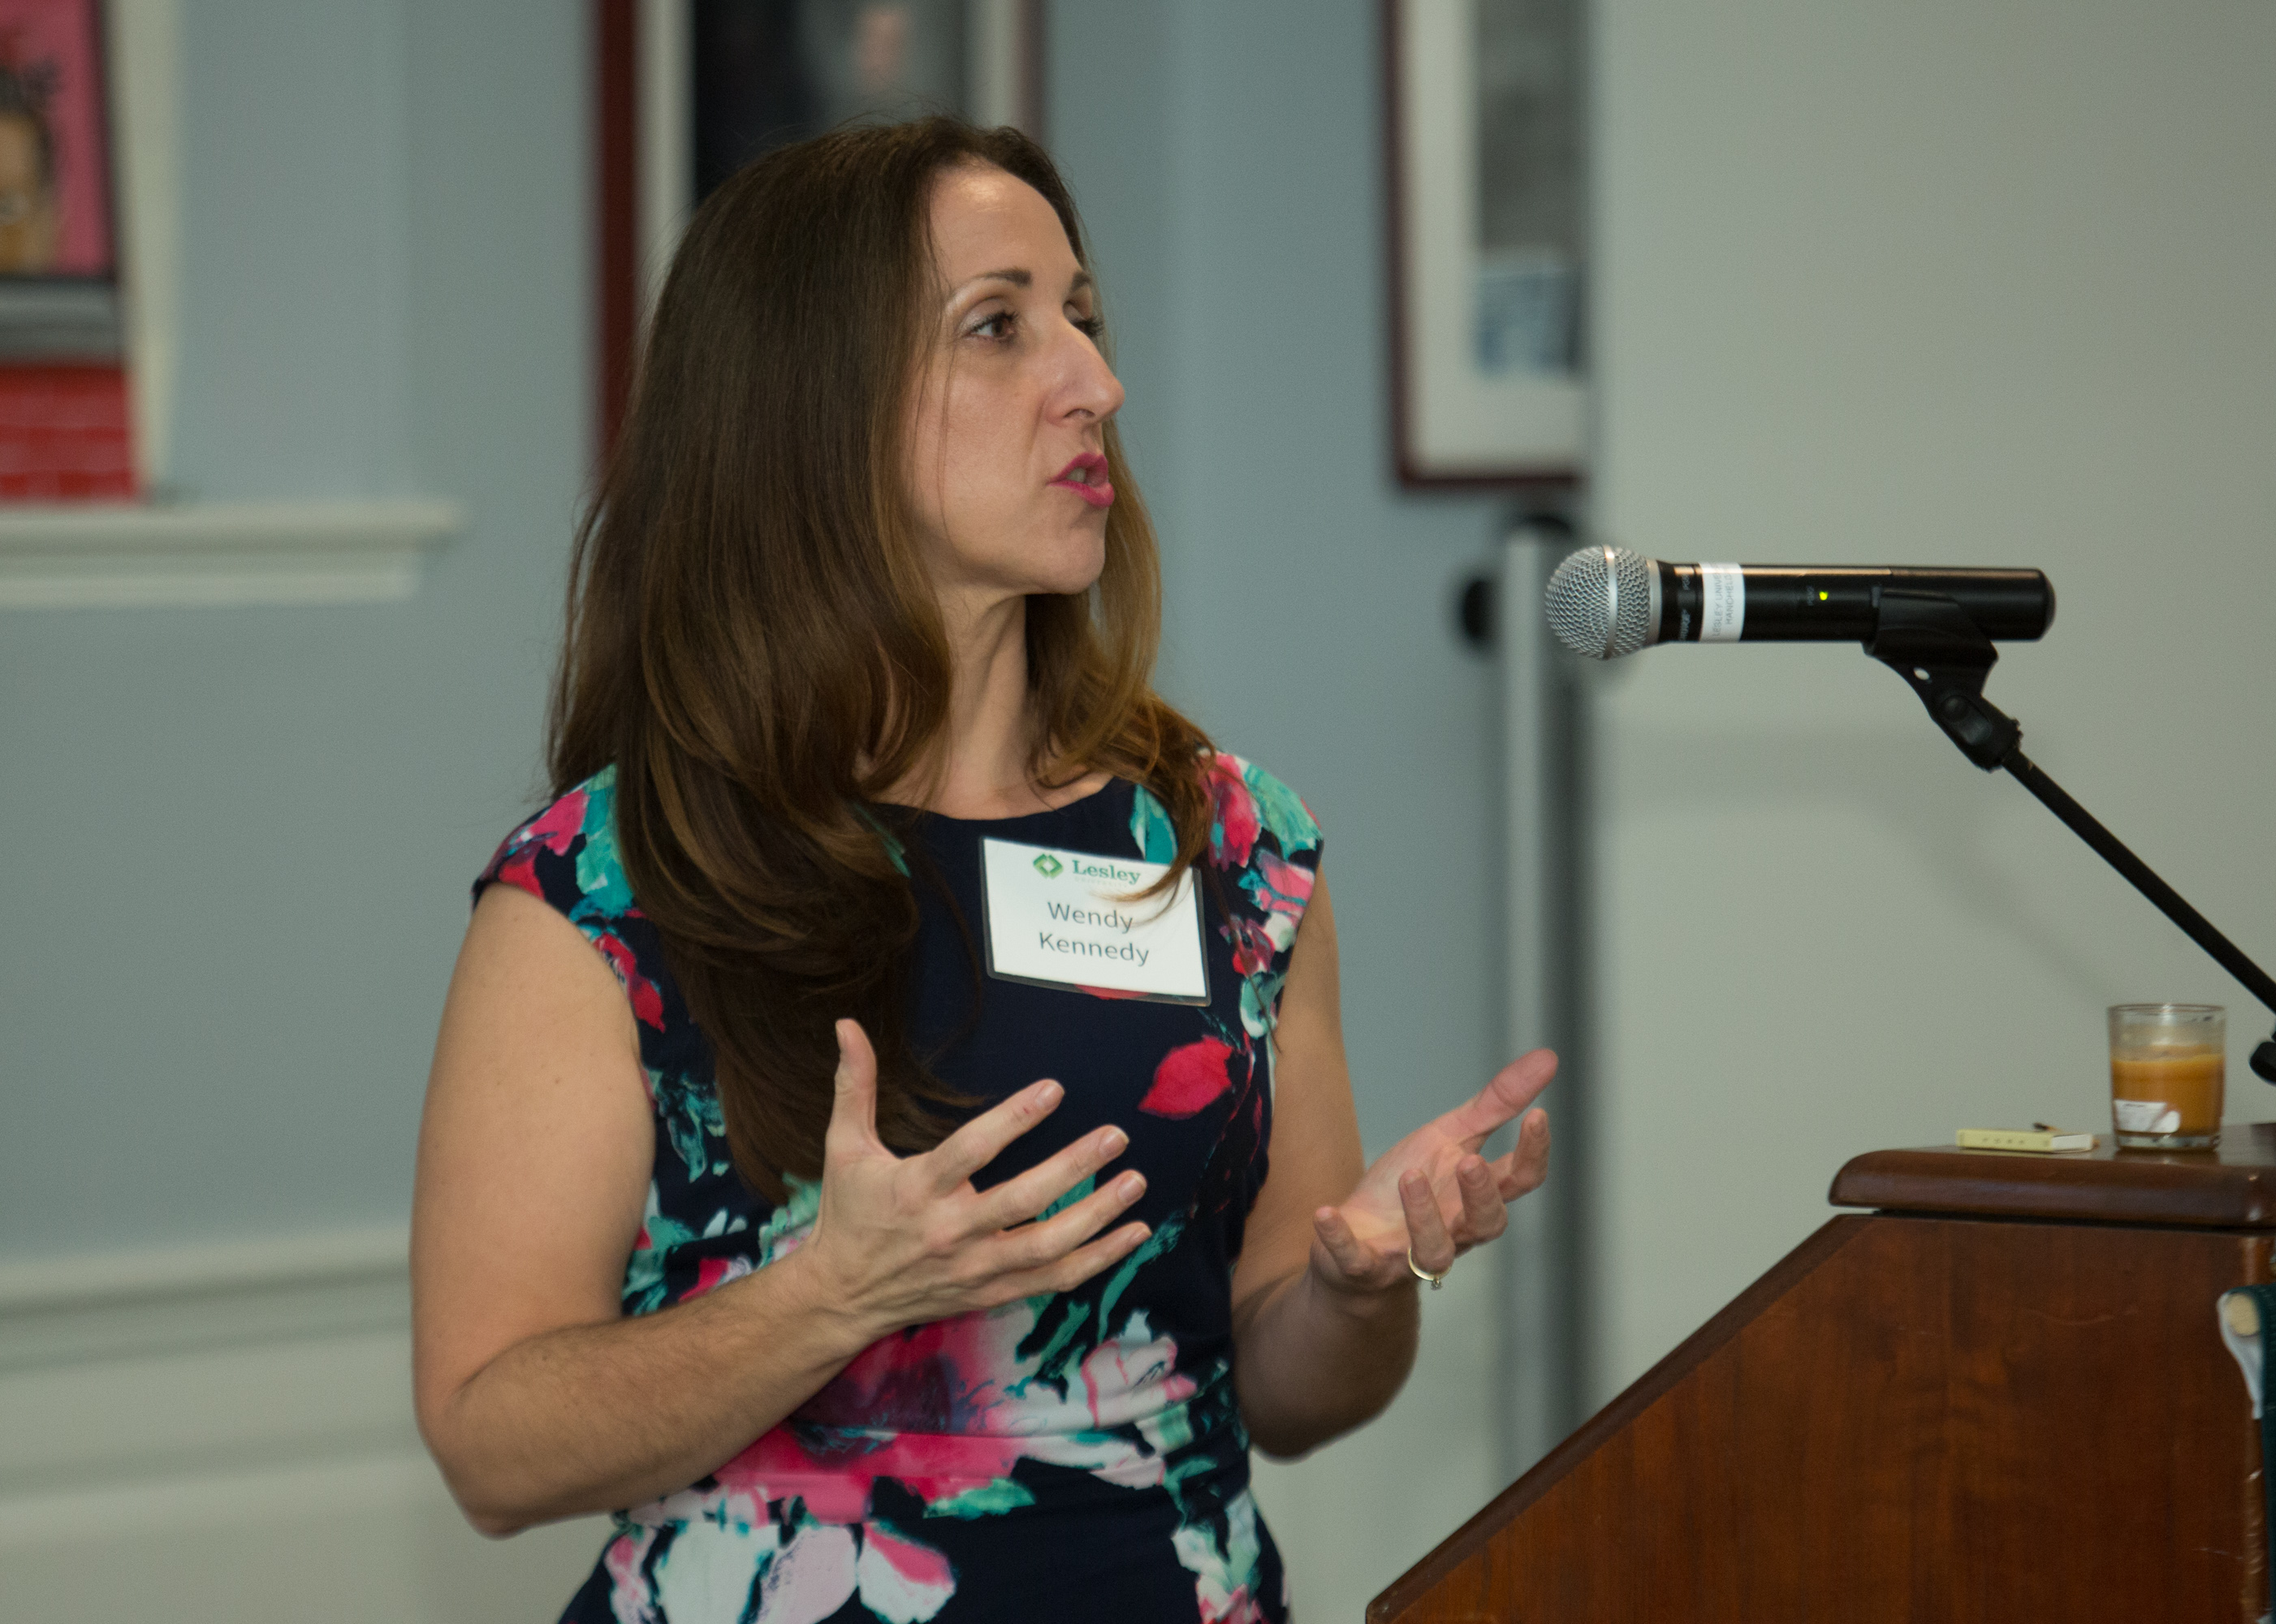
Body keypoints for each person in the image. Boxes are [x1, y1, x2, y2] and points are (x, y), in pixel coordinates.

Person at [411, 116, 1556, 1624]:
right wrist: (838, 1294)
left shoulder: (1225, 846)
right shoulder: (609, 887)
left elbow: (1291, 1394)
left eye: (1083, 318)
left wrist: (1352, 1286)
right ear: (810, 410)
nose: (1096, 383)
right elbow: (494, 1443)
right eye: (999, 328)